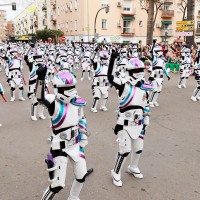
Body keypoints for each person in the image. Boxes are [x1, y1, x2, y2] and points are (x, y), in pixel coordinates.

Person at [36, 67, 90, 200]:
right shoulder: (53, 101)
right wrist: (41, 79)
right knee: (57, 184)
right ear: (57, 88)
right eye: (65, 88)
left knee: (81, 176)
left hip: (76, 144)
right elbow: (40, 98)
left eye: (71, 87)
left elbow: (81, 118)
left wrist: (83, 135)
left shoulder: (77, 100)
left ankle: (73, 197)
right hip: (59, 146)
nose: (68, 91)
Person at [108, 51, 153, 187]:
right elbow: (110, 77)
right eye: (136, 70)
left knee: (138, 149)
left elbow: (146, 106)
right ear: (129, 71)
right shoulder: (123, 85)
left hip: (139, 123)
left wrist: (146, 121)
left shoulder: (145, 87)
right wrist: (112, 60)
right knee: (124, 150)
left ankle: (133, 166)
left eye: (141, 69)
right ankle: (115, 172)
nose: (140, 72)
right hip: (124, 123)